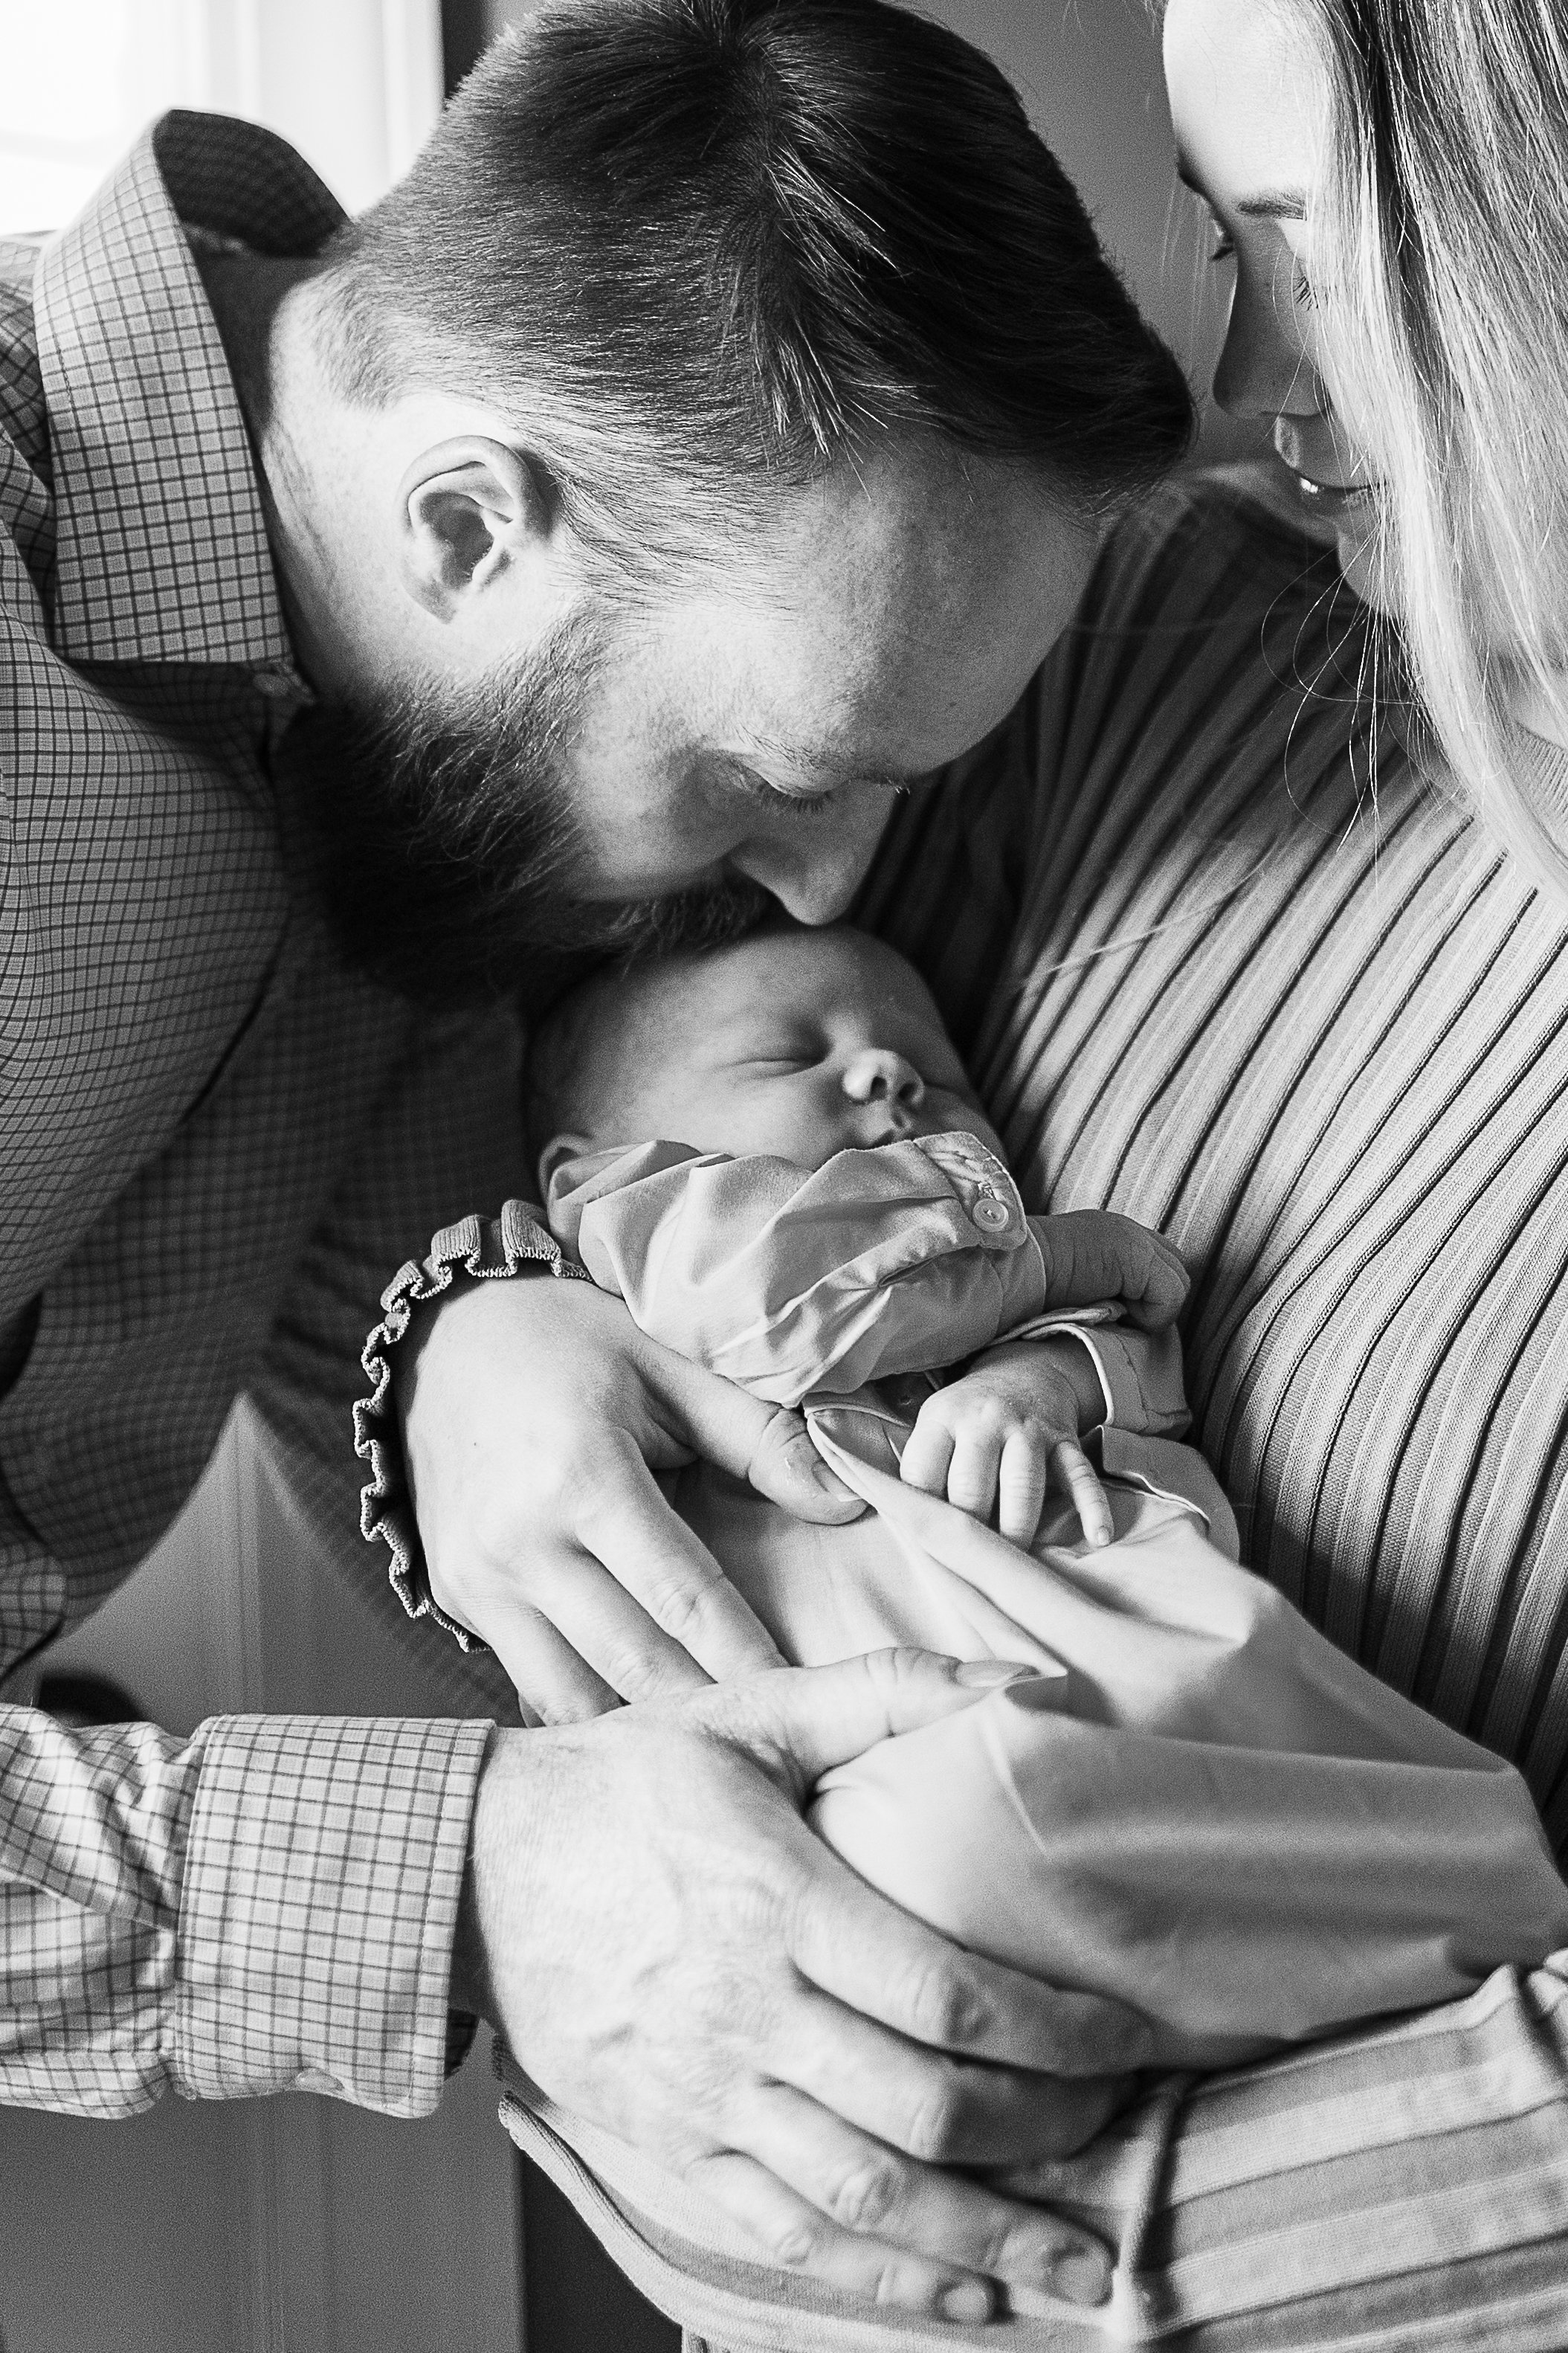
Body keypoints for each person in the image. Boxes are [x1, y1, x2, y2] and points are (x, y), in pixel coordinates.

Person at [0, 0, 1204, 2325]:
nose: (825, 892)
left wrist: (461, 1321)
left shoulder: (398, 754)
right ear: (469, 523)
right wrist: (475, 1878)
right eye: (775, 773)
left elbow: (439, 1342)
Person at [460, 1, 1568, 2342]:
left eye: (1304, 245)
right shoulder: (1153, 636)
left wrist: (940, 2233)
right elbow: (618, 1053)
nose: (1234, 379)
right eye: (1221, 248)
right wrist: (476, 1327)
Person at [498, 917, 1567, 2071]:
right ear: (581, 1172)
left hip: (1121, 1665)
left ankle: (1472, 1921)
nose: (887, 1071)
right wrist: (1047, 1250)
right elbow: (783, 1305)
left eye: (938, 1071)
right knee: (945, 1854)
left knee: (1319, 1769)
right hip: (850, 1763)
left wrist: (1036, 1380)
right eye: (789, 1054)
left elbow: (1138, 1362)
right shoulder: (627, 1242)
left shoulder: (1004, 1296)